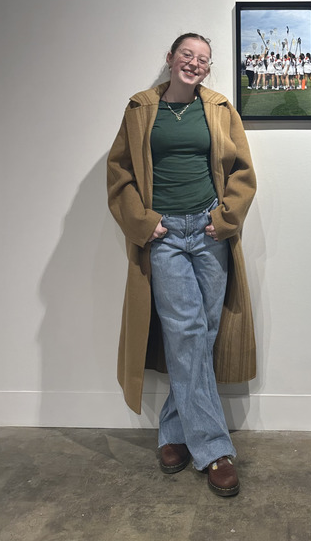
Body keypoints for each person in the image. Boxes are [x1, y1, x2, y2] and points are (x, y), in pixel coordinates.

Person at [107, 32, 257, 497]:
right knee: (187, 331)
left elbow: (243, 171)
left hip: (210, 234)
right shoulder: (139, 109)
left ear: (208, 69)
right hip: (166, 235)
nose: (194, 63)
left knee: (203, 333)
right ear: (170, 59)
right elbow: (119, 173)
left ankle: (173, 431)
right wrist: (143, 221)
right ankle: (214, 449)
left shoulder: (218, 108)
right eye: (187, 55)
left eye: (203, 59)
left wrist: (225, 217)